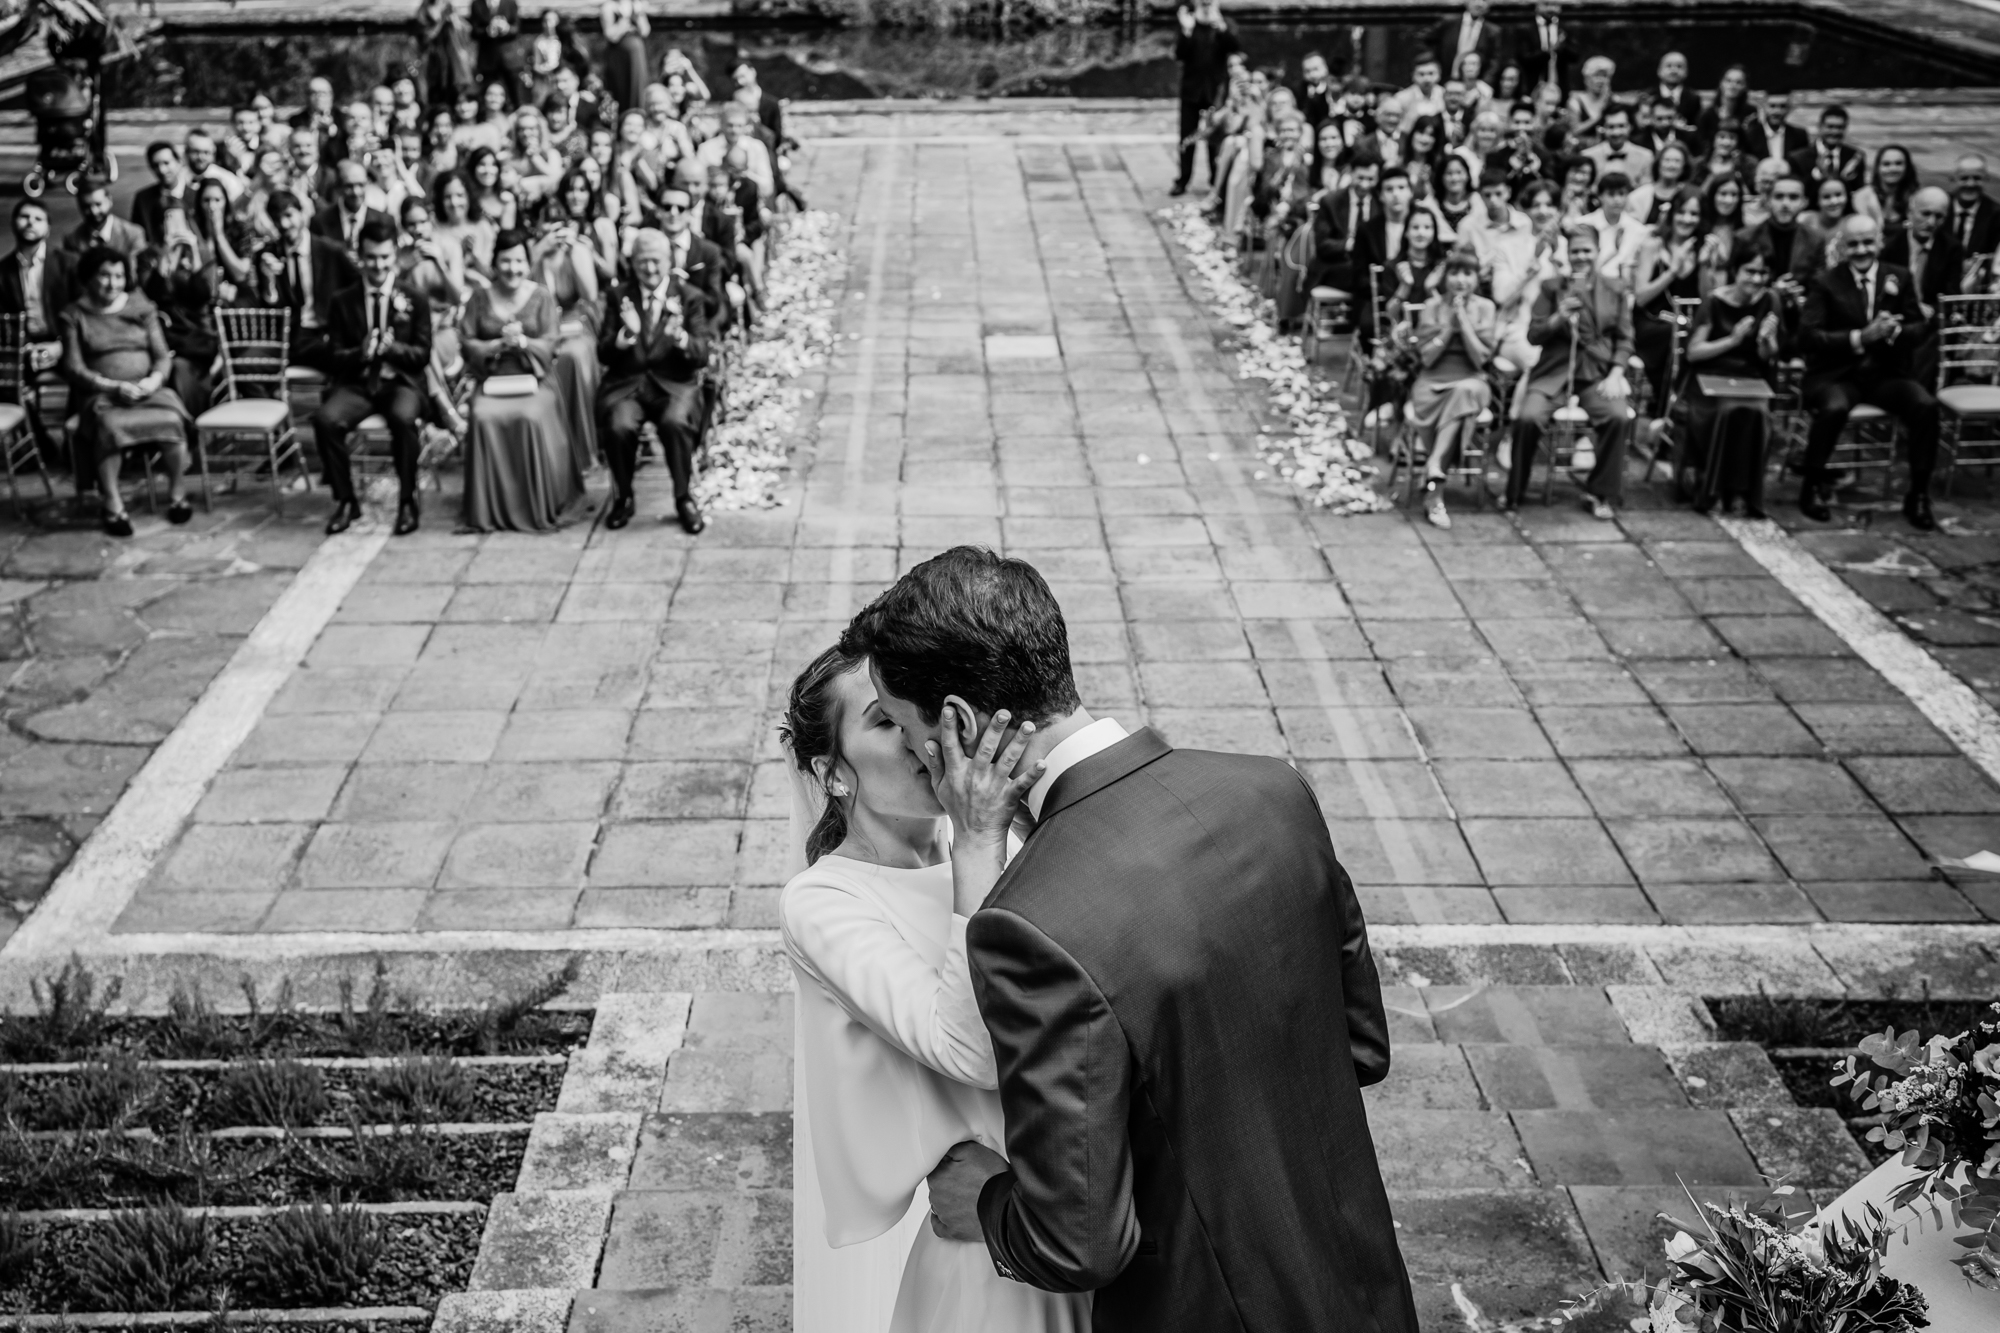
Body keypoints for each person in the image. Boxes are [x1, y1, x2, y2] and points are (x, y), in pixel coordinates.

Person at [839, 547, 1418, 1333]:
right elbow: (1359, 1046)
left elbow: (1076, 1241)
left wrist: (981, 1196)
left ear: (962, 724)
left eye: (909, 733)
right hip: (1359, 1282)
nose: (911, 757)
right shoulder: (1272, 789)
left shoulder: (1030, 921)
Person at [779, 644, 1091, 1333]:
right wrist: (980, 845)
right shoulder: (825, 903)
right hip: (989, 1257)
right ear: (833, 774)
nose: (923, 736)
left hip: (1082, 1209)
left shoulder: (991, 838)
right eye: (883, 722)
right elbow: (972, 1049)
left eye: (913, 710)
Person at [1796, 213, 1940, 529]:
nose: (1861, 250)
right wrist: (1860, 338)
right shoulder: (1826, 281)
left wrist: (1896, 333)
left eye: (1867, 242)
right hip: (1838, 373)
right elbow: (1808, 337)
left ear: (1878, 242)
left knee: (1926, 406)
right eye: (1853, 244)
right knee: (1833, 408)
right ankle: (1812, 485)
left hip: (1885, 374)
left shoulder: (1899, 276)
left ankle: (1918, 493)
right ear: (1843, 247)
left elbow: (1920, 328)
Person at [59, 247, 194, 536]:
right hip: (102, 396)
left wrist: (153, 381)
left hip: (148, 391)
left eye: (119, 276)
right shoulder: (74, 314)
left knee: (172, 421)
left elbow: (161, 355)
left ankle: (178, 494)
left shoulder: (141, 307)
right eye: (105, 276)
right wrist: (112, 386)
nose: (113, 283)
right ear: (88, 278)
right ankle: (113, 503)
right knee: (109, 428)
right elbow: (74, 368)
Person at [314, 218, 434, 537]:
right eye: (370, 257)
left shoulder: (415, 298)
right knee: (325, 420)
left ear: (394, 254)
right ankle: (345, 500)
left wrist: (392, 349)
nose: (377, 265)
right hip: (359, 383)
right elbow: (333, 357)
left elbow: (422, 354)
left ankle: (407, 500)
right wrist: (361, 353)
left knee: (404, 420)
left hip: (400, 383)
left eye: (383, 257)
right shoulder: (343, 300)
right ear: (360, 255)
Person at [457, 227, 579, 531]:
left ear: (528, 263)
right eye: (505, 261)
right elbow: (467, 341)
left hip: (534, 378)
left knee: (530, 416)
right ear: (495, 264)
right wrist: (498, 345)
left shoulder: (541, 296)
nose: (512, 269)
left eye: (518, 262)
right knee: (482, 416)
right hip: (493, 377)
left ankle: (537, 501)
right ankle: (490, 507)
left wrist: (524, 343)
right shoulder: (479, 297)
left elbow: (552, 342)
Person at [1507, 223, 1633, 516]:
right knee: (1527, 418)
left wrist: (1616, 373)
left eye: (1586, 251)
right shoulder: (1552, 287)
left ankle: (1600, 492)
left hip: (1596, 372)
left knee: (1617, 417)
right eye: (1575, 251)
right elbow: (1533, 335)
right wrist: (1557, 318)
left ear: (1598, 252)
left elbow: (1625, 338)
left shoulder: (1614, 288)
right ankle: (1516, 490)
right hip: (1554, 372)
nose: (1581, 257)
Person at [595, 226, 712, 533]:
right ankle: (623, 496)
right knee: (619, 425)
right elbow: (603, 353)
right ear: (632, 264)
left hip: (674, 385)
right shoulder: (618, 296)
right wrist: (623, 340)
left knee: (675, 422)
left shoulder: (689, 298)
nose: (649, 268)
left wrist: (682, 339)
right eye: (642, 261)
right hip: (628, 385)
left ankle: (683, 496)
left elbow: (702, 354)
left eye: (655, 261)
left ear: (668, 261)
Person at [1681, 240, 1781, 515]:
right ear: (1736, 270)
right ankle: (1715, 488)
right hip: (1709, 376)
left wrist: (1766, 340)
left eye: (1762, 274)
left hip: (1749, 376)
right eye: (1750, 271)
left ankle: (1745, 492)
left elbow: (1767, 356)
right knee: (1727, 410)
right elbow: (1693, 353)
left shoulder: (1771, 300)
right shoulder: (1714, 301)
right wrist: (1733, 340)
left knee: (1759, 412)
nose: (1756, 279)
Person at [1406, 250, 1495, 530]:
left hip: (1471, 379)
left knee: (1464, 392)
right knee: (1457, 409)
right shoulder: (1432, 306)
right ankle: (1435, 492)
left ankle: (1434, 469)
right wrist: (1447, 329)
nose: (1460, 280)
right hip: (1432, 381)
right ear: (1445, 277)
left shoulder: (1486, 308)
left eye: (1467, 273)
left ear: (1476, 278)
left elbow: (1481, 359)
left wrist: (1464, 323)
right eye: (1454, 273)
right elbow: (1426, 358)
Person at [254, 190, 358, 370]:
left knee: (343, 357)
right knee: (246, 364)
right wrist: (268, 282)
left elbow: (358, 287)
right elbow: (269, 310)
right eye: (277, 219)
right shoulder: (267, 256)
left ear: (302, 213)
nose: (284, 224)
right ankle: (275, 399)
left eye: (288, 215)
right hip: (288, 337)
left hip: (325, 335)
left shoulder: (332, 251)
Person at [1632, 185, 1707, 417]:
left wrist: (1705, 265)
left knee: (1695, 337)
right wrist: (1672, 271)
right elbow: (1641, 297)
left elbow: (1707, 299)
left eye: (1694, 214)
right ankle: (1670, 410)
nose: (1687, 219)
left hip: (1688, 321)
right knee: (1675, 337)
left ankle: (1685, 408)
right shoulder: (1652, 245)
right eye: (1682, 212)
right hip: (1652, 322)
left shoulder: (1702, 248)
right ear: (1672, 214)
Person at [1881, 186, 1962, 386]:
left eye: (1939, 217)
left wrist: (1932, 310)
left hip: (1929, 321)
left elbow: (1951, 295)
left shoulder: (1951, 248)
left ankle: (1914, 391)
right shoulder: (1890, 243)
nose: (1931, 222)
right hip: (1896, 314)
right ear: (1910, 212)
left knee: (1933, 335)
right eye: (1925, 214)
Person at [141, 235, 219, 421]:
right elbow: (152, 293)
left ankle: (188, 424)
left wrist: (193, 250)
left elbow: (203, 293)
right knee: (174, 368)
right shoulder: (153, 260)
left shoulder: (197, 259)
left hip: (195, 345)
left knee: (180, 369)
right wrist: (166, 253)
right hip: (168, 341)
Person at [1170, 0, 1239, 196]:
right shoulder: (1189, 23)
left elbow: (1234, 47)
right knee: (1186, 136)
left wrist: (1222, 28)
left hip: (1215, 92)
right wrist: (1187, 31)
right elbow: (1179, 54)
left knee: (1214, 137)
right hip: (1191, 91)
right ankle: (1183, 179)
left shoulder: (1225, 23)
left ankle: (1215, 179)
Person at [314, 160, 395, 254]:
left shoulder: (384, 220)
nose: (356, 192)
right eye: (349, 186)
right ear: (338, 187)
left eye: (361, 185)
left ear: (368, 183)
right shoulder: (320, 222)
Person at [63, 176, 147, 262]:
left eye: (98, 204)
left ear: (109, 201)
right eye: (86, 207)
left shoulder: (133, 234)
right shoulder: (73, 240)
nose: (94, 211)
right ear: (79, 207)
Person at [1946, 154, 2000, 281]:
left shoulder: (1996, 214)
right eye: (1964, 178)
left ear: (1986, 179)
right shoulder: (1940, 207)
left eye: (1977, 178)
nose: (1970, 184)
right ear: (1954, 178)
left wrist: (1979, 263)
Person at [1788, 105, 1865, 194]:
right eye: (1830, 127)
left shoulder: (1855, 157)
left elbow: (1858, 191)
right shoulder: (1798, 158)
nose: (1835, 132)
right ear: (1820, 127)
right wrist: (1818, 174)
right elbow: (1798, 192)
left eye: (1840, 127)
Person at [132, 141, 195, 249]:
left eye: (166, 163)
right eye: (156, 165)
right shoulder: (143, 199)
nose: (162, 170)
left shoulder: (196, 196)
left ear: (179, 162)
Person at [1581, 170, 1639, 278]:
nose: (1617, 200)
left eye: (1622, 194)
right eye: (1611, 194)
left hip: (1623, 286)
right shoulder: (1583, 225)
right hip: (1588, 283)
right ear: (1600, 196)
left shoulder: (1638, 230)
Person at [1426, 0, 1499, 87]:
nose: (1479, 4)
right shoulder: (1448, 23)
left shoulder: (1493, 31)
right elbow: (1423, 39)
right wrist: (1432, 63)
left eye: (1484, 0)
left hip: (1474, 85)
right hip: (1444, 80)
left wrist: (1484, 83)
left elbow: (1495, 60)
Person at [420, 0, 477, 108]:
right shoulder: (425, 8)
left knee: (454, 91)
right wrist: (441, 22)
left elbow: (467, 29)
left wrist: (454, 20)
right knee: (436, 92)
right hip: (434, 60)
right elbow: (426, 37)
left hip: (454, 60)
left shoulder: (449, 7)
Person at [599, 0, 651, 119]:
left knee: (638, 88)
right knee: (621, 90)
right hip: (620, 58)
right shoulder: (609, 7)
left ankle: (638, 117)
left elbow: (645, 31)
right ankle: (622, 120)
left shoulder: (636, 5)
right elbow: (611, 35)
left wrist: (638, 15)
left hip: (637, 57)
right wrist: (625, 17)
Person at [1583, 105, 1653, 191]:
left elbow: (1645, 193)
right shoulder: (1588, 156)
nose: (1616, 132)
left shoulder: (1645, 156)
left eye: (1621, 126)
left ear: (1630, 127)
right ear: (1603, 128)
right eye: (1611, 127)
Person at [1857, 146, 1920, 239]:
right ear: (1877, 168)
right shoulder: (1862, 197)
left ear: (1907, 167)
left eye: (1898, 163)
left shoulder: (1917, 198)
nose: (1892, 168)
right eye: (1886, 164)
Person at [470, 0, 522, 103]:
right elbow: (474, 32)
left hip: (509, 59)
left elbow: (517, 28)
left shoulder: (510, 3)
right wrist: (487, 31)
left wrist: (506, 28)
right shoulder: (477, 4)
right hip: (488, 59)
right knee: (487, 92)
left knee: (515, 93)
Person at [1742, 87, 1807, 167]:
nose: (1777, 111)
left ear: (1789, 109)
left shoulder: (1799, 135)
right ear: (1764, 107)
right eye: (1772, 106)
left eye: (1782, 106)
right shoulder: (1750, 135)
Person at [1696, 65, 1751, 150]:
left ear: (1745, 86)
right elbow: (1701, 143)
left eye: (1738, 82)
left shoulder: (1750, 112)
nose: (1733, 85)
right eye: (1728, 81)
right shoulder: (1707, 115)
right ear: (1721, 83)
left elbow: (1751, 144)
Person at [1566, 56, 1615, 146]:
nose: (1601, 81)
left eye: (1604, 76)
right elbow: (1574, 130)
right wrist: (1597, 117)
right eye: (1596, 76)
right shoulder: (1576, 102)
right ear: (1586, 79)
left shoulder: (1613, 100)